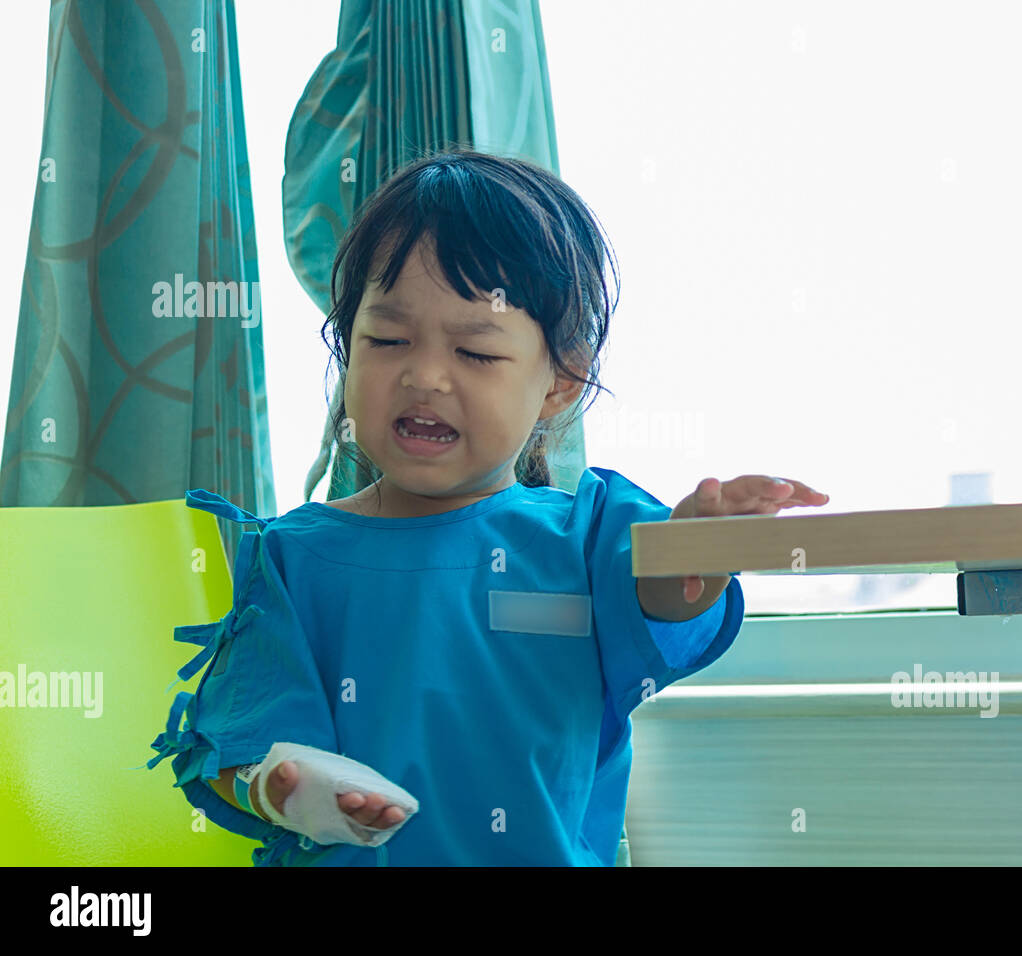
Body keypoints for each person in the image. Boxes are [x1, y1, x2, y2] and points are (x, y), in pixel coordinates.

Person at [146, 146, 829, 865]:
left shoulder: (586, 539)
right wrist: (277, 788)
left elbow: (661, 595)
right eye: (387, 339)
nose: (425, 376)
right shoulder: (287, 560)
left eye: (475, 353)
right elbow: (235, 741)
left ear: (562, 382)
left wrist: (697, 550)